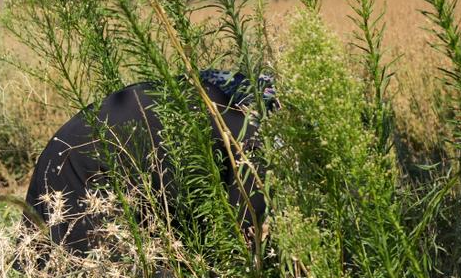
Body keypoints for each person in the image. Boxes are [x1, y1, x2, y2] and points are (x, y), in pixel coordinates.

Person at [27, 70, 276, 255]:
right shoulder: (260, 133)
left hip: (75, 143)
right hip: (90, 161)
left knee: (49, 275)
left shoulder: (235, 86)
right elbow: (240, 234)